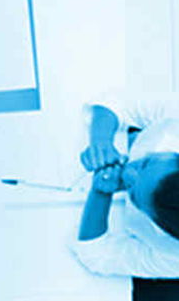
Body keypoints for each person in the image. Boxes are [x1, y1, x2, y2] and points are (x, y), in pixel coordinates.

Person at [72, 96, 179, 278]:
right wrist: (101, 142)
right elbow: (118, 100)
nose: (127, 171)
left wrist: (101, 192)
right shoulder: (174, 122)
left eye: (134, 194)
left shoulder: (173, 257)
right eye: (146, 163)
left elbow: (96, 255)